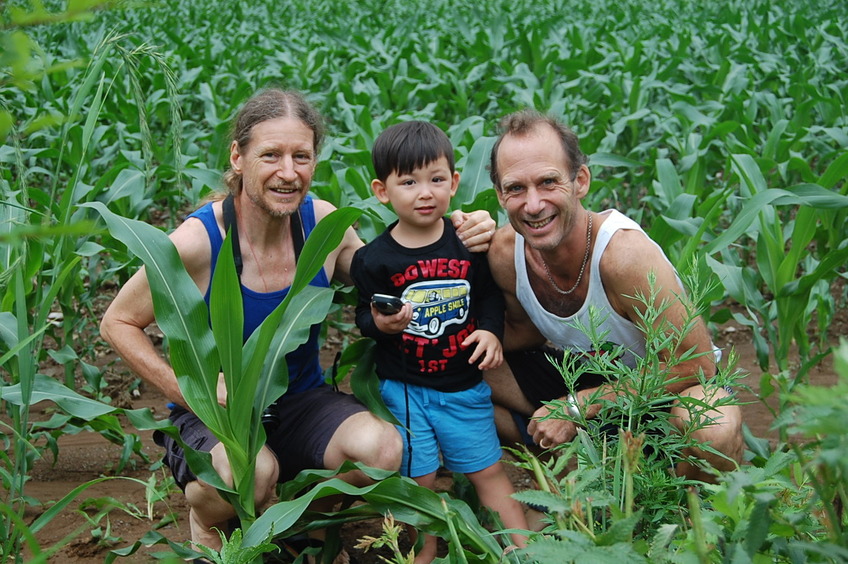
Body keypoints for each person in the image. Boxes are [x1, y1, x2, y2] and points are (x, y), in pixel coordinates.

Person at [99, 89, 496, 557]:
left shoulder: (321, 227)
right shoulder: (197, 242)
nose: (288, 173)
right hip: (217, 414)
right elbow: (117, 322)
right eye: (271, 155)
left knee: (383, 449)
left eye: (301, 156)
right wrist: (194, 391)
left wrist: (458, 228)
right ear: (238, 157)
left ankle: (292, 514)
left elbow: (392, 269)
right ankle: (208, 519)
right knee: (244, 473)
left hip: (301, 400)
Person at [484, 109, 743, 482]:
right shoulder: (506, 253)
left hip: (669, 389)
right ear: (500, 194)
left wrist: (574, 407)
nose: (534, 204)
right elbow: (524, 331)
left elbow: (696, 365)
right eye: (516, 188)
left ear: (581, 181)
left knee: (711, 429)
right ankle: (571, 468)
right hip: (592, 376)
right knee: (457, 371)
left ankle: (688, 516)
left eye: (548, 182)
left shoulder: (623, 256)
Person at [350, 121, 528, 563]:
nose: (424, 192)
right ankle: (424, 554)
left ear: (453, 182)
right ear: (382, 190)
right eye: (408, 182)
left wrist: (488, 329)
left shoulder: (467, 243)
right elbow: (362, 316)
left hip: (464, 388)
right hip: (405, 392)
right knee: (420, 483)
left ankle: (525, 550)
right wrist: (379, 325)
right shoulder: (372, 259)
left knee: (488, 471)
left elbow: (487, 295)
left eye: (435, 179)